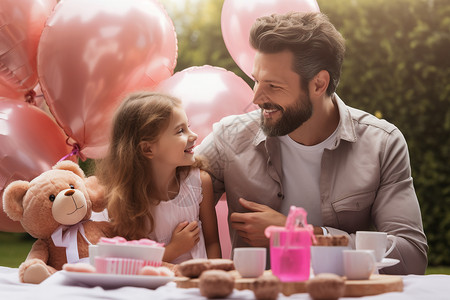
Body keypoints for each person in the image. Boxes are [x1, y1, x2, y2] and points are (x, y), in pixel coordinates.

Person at [195, 12, 427, 275]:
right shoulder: (230, 138)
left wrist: (300, 236)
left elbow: (411, 254)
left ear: (318, 84)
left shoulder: (382, 144)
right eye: (256, 80)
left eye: (272, 85)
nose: (256, 97)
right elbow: (165, 196)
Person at [96, 91, 221, 264]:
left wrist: (215, 276)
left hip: (194, 284)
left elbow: (212, 241)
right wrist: (174, 249)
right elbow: (129, 262)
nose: (193, 136)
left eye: (188, 127)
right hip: (152, 286)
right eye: (180, 131)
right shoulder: (123, 198)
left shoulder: (199, 182)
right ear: (148, 149)